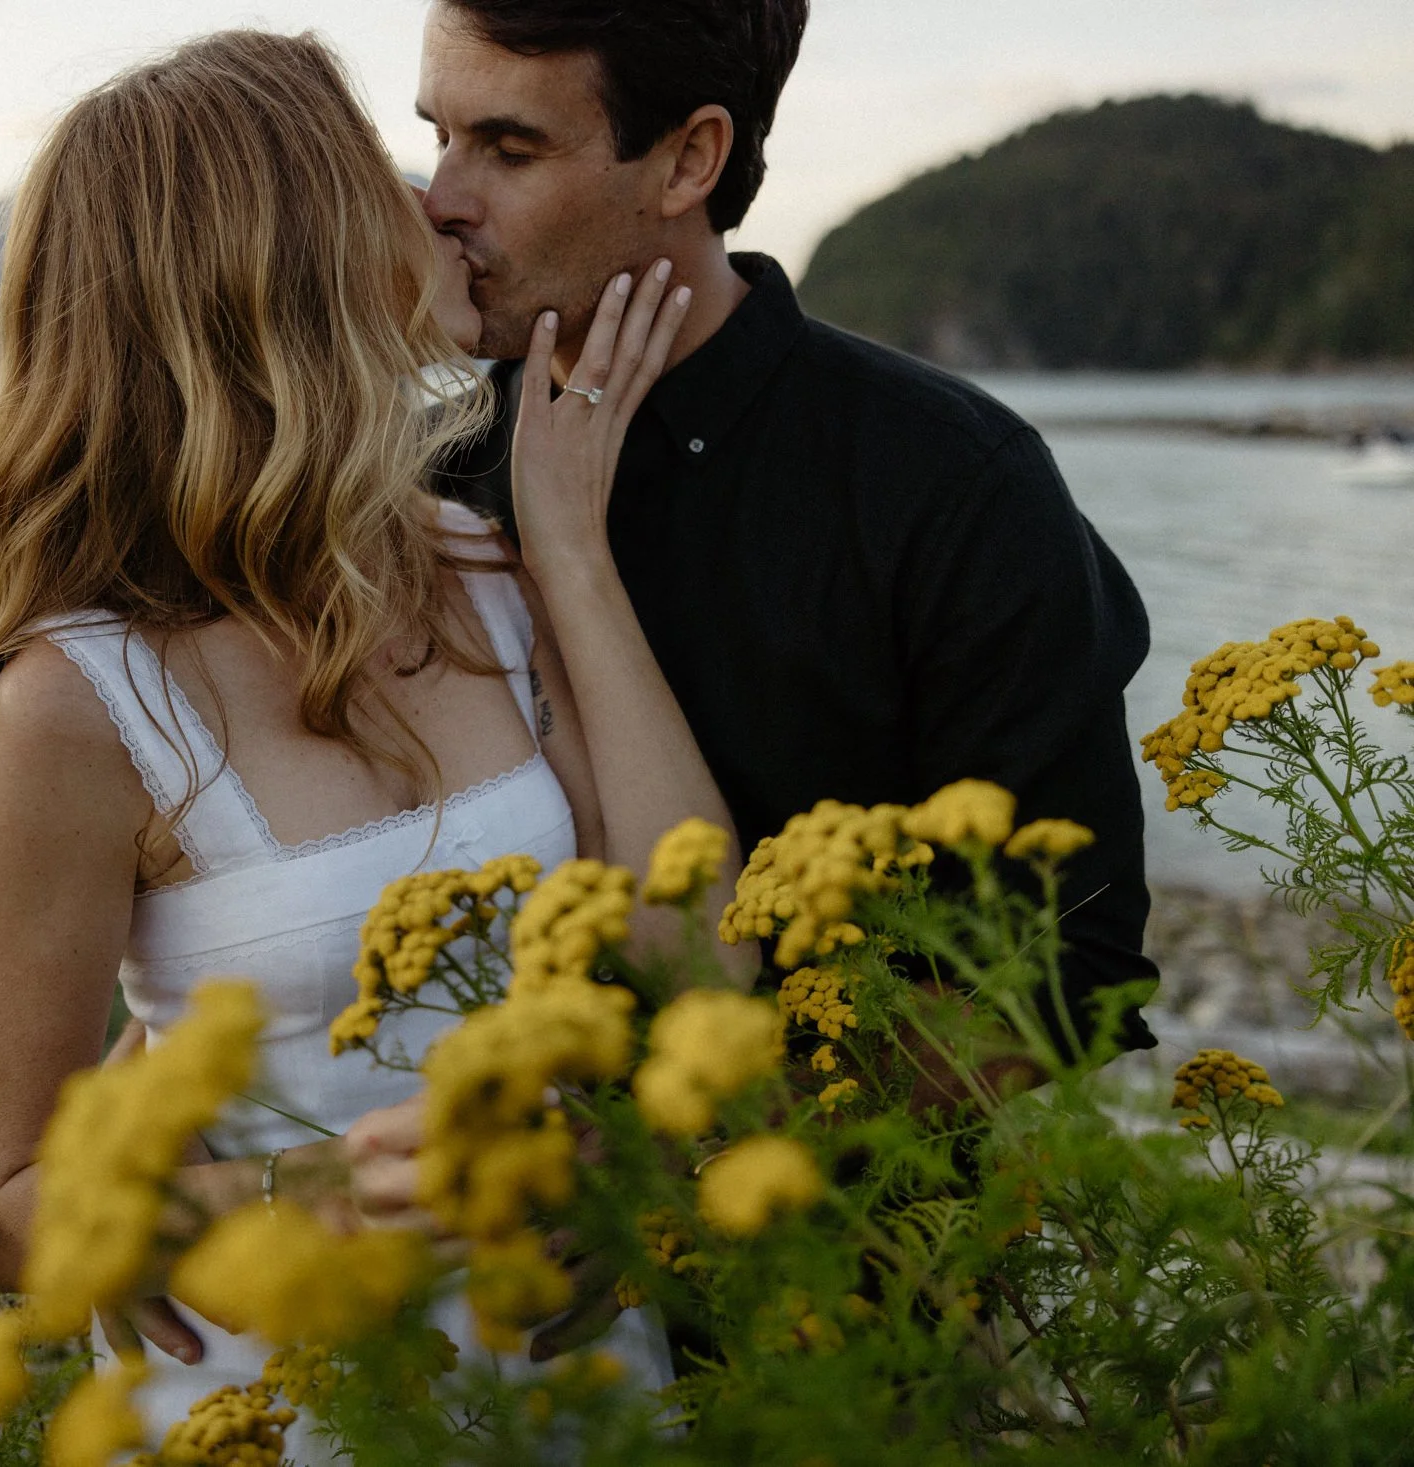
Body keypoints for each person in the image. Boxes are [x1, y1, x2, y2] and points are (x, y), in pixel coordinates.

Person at [0, 29, 742, 1457]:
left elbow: (698, 944)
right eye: (385, 163)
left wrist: (570, 549)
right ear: (289, 256)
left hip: (576, 1380)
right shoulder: (79, 701)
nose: (434, 200)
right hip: (291, 1408)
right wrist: (307, 1195)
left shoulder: (481, 563)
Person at [415, 0, 1160, 1059]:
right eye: (438, 136)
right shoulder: (417, 478)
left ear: (688, 162)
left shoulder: (949, 483)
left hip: (846, 1217)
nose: (439, 201)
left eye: (509, 148)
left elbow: (1062, 967)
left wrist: (709, 1151)